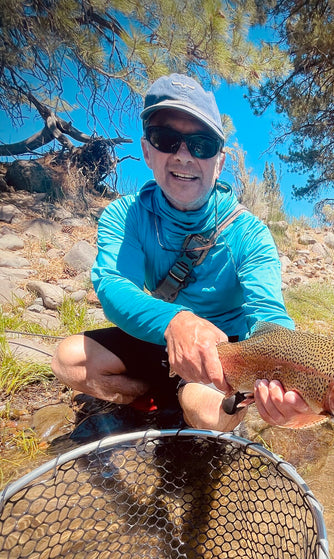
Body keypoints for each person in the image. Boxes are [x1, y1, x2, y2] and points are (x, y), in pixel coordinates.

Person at [52, 73, 317, 431]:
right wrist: (175, 321)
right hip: (158, 339)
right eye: (167, 139)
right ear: (147, 150)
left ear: (219, 162)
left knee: (207, 414)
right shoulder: (124, 215)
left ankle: (199, 402)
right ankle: (152, 395)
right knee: (68, 361)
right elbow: (114, 286)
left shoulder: (250, 233)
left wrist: (288, 385)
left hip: (226, 358)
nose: (183, 155)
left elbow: (269, 314)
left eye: (201, 144)